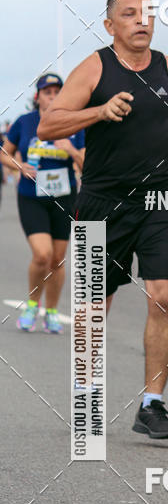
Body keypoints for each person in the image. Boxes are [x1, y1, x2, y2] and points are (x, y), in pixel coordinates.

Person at [38, 0, 168, 439]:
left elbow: (166, 115)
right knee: (93, 307)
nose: (141, 21)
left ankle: (152, 405)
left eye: (147, 13)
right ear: (110, 25)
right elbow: (49, 125)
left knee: (165, 296)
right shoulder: (94, 68)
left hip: (156, 199)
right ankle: (86, 398)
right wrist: (98, 112)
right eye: (129, 14)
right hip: (99, 204)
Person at [1, 74, 85, 333]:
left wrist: (69, 149)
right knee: (42, 255)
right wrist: (18, 165)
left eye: (57, 92)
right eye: (47, 92)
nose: (52, 96)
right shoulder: (25, 123)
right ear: (37, 96)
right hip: (31, 196)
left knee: (58, 260)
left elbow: (86, 164)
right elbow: (5, 152)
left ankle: (51, 311)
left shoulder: (74, 124)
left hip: (64, 197)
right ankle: (32, 305)